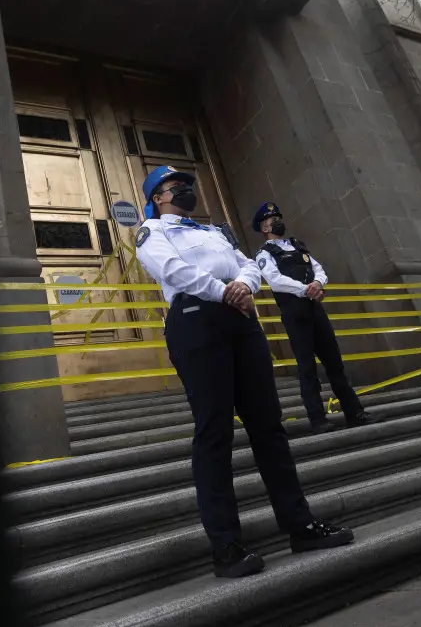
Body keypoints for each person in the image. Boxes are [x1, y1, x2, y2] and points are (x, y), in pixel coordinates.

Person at [135, 165, 353, 578]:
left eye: (186, 184)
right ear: (158, 198)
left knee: (268, 427)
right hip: (197, 319)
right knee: (214, 431)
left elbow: (248, 264)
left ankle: (299, 524)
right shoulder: (152, 231)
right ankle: (226, 544)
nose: (184, 190)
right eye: (173, 186)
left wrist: (246, 286)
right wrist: (224, 291)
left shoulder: (216, 232)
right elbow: (172, 272)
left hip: (241, 319)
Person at [251, 202, 376, 434]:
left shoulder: (298, 246)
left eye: (278, 216)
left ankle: (354, 412)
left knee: (335, 364)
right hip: (295, 313)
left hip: (315, 310)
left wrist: (318, 283)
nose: (277, 221)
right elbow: (275, 280)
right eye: (271, 219)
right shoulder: (265, 254)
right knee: (307, 367)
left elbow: (318, 269)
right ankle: (318, 419)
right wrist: (305, 289)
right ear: (263, 227)